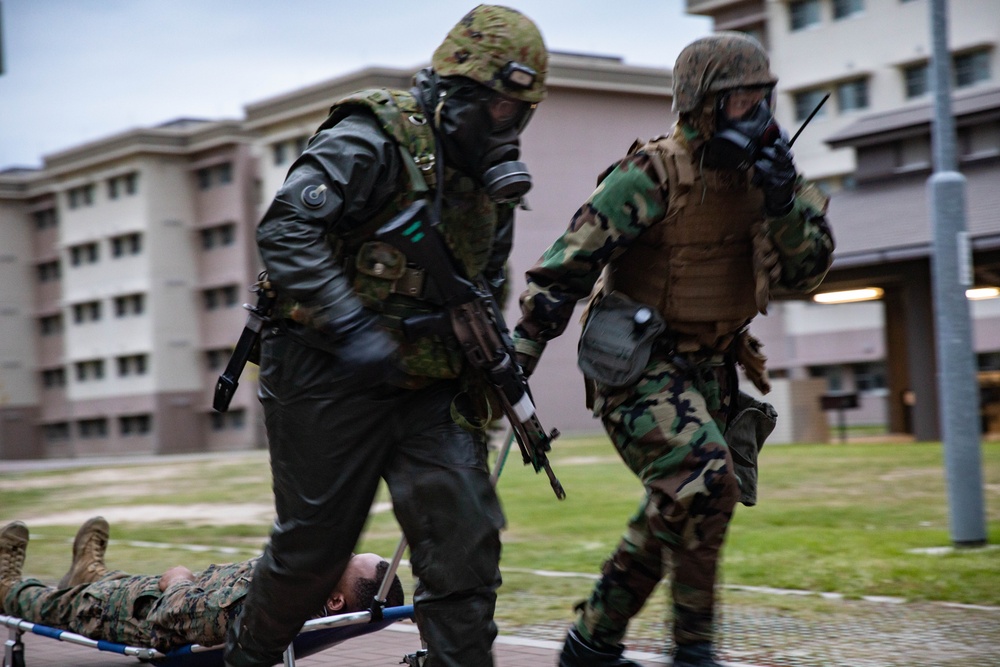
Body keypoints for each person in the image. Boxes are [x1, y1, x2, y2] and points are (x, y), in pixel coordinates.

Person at [222, 6, 548, 667]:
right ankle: (246, 658)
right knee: (314, 556)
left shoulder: (491, 185)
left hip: (427, 382)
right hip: (324, 366)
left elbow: (487, 279)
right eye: (497, 108)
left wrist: (490, 365)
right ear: (454, 91)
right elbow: (285, 230)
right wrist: (349, 324)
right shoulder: (373, 137)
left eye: (520, 112)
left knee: (465, 542)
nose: (507, 127)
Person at [512, 32, 834, 667]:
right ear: (701, 106)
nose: (756, 115)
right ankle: (674, 651)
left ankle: (605, 644)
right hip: (637, 363)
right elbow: (562, 270)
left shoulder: (775, 179)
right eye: (739, 101)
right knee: (703, 484)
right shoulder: (651, 173)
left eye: (762, 100)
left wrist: (783, 203)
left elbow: (808, 273)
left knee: (696, 505)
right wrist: (515, 365)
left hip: (713, 367)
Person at [0, 517, 403, 653]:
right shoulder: (301, 592)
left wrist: (179, 580)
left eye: (346, 562)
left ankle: (8, 586)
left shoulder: (269, 612)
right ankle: (90, 572)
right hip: (144, 593)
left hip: (125, 613)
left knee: (53, 604)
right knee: (109, 583)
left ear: (335, 600)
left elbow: (173, 614)